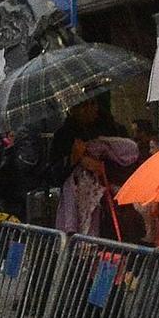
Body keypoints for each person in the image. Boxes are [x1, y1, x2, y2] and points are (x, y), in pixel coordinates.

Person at [47, 97, 140, 238]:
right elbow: (54, 174)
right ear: (74, 109)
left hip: (113, 208)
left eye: (93, 103)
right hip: (79, 212)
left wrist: (101, 166)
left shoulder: (113, 130)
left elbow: (128, 165)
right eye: (84, 105)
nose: (90, 109)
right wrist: (73, 160)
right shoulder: (63, 136)